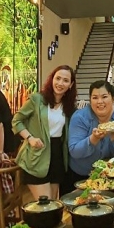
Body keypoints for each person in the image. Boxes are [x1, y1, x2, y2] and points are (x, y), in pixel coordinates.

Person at [13, 65, 77, 199]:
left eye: (65, 80)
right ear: (52, 79)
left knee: (53, 202)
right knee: (45, 204)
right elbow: (16, 121)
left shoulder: (69, 106)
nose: (60, 83)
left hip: (57, 155)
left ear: (71, 85)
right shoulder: (37, 99)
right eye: (58, 78)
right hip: (37, 154)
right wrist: (30, 138)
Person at [67, 80, 114, 178]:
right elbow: (74, 151)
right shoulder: (80, 117)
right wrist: (93, 139)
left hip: (110, 173)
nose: (100, 101)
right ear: (90, 100)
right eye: (95, 98)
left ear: (113, 98)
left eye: (104, 97)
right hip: (81, 173)